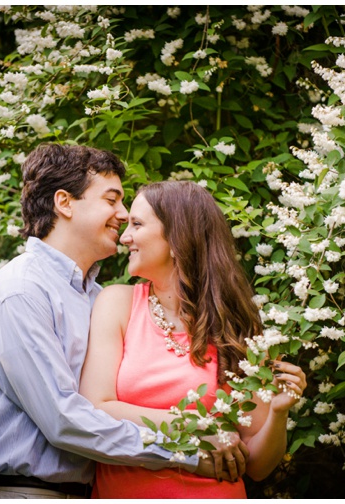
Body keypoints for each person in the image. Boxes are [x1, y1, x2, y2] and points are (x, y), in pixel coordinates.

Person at [0, 144, 245, 499]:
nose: (123, 214)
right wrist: (185, 448)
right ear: (64, 203)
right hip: (26, 493)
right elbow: (63, 420)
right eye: (112, 200)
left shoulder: (97, 298)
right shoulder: (20, 293)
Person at [80, 180, 308, 498]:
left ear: (176, 239)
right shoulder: (117, 304)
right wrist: (198, 426)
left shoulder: (237, 324)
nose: (125, 236)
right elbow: (95, 409)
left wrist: (279, 413)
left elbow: (257, 465)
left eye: (137, 224)